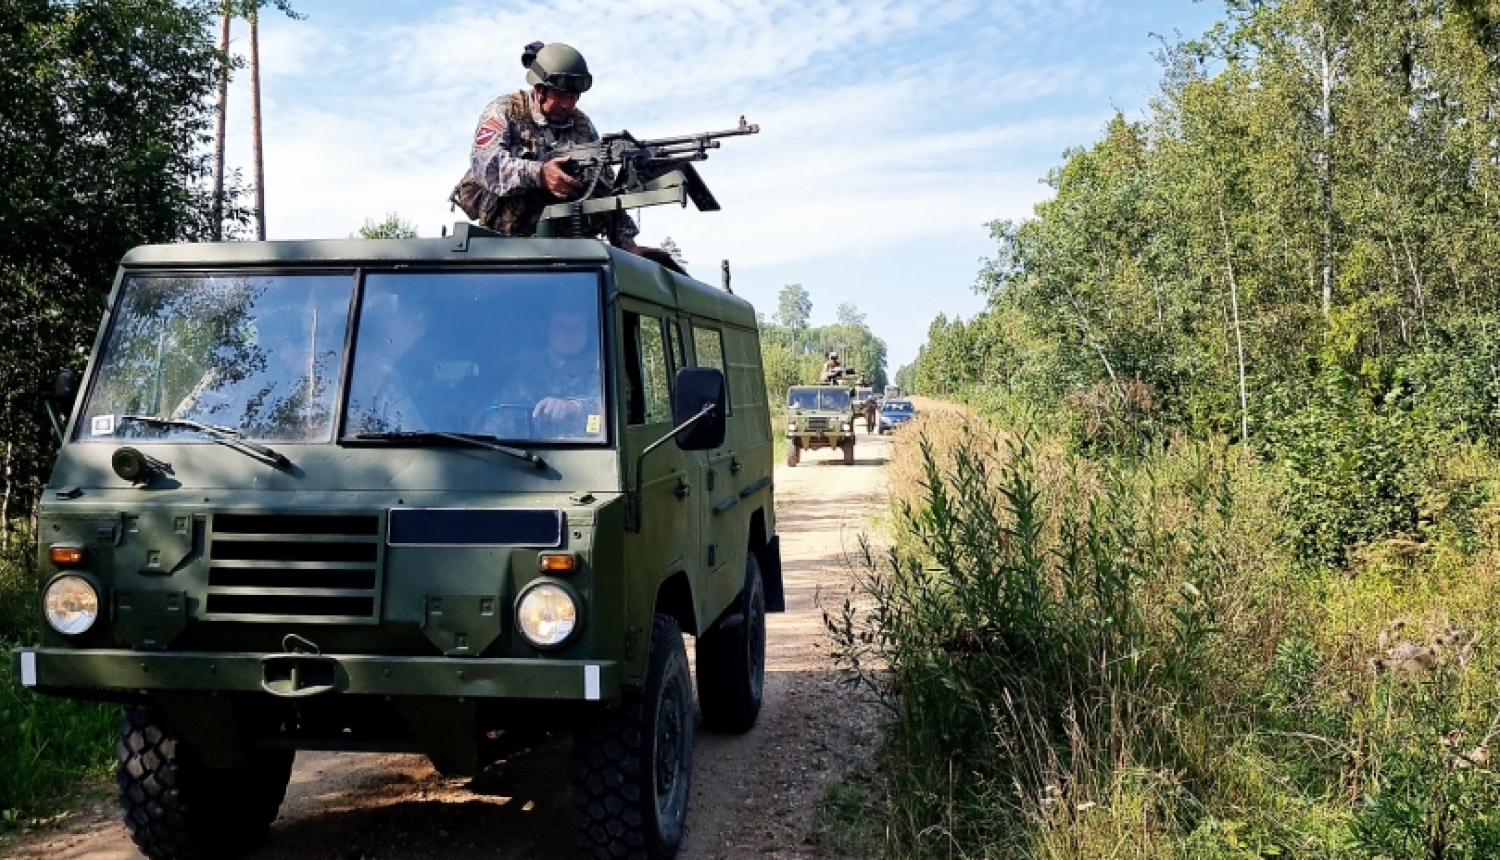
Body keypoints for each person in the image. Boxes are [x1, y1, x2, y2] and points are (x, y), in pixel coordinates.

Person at [455, 41, 658, 256]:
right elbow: (486, 165)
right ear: (540, 90)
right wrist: (540, 174)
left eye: (573, 97)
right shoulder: (505, 111)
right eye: (560, 95)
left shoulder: (582, 127)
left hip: (562, 248)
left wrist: (626, 243)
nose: (566, 105)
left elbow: (603, 189)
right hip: (503, 243)